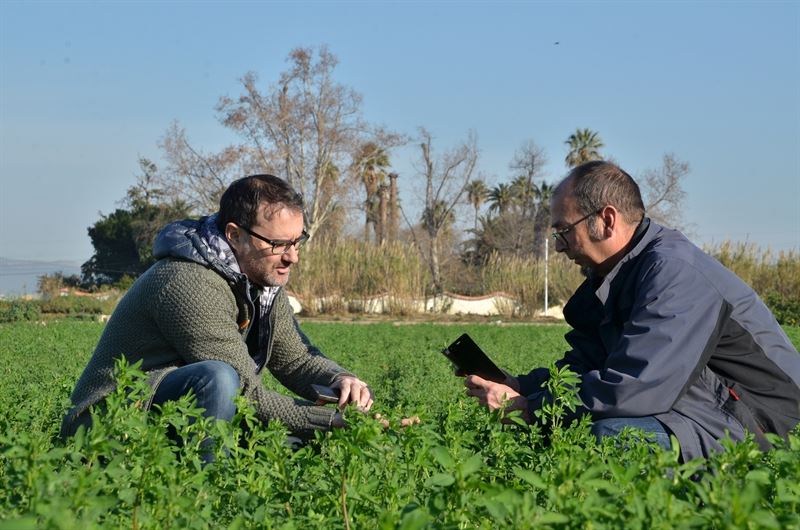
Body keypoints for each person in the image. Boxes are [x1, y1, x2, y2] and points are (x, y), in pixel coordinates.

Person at [464, 161, 800, 461]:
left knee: (612, 437)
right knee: (572, 425)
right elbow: (585, 365)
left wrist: (529, 410)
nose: (560, 246)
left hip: (760, 423)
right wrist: (523, 387)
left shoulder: (674, 273)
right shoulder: (613, 277)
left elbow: (635, 387)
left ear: (606, 220)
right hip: (697, 408)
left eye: (564, 231)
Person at [61, 174, 373, 453]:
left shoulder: (261, 280)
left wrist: (342, 381)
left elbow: (295, 360)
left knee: (304, 447)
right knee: (220, 379)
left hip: (184, 414)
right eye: (278, 244)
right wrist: (328, 420)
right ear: (235, 235)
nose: (292, 257)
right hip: (106, 425)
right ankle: (204, 496)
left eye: (297, 241)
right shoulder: (189, 282)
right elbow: (243, 394)